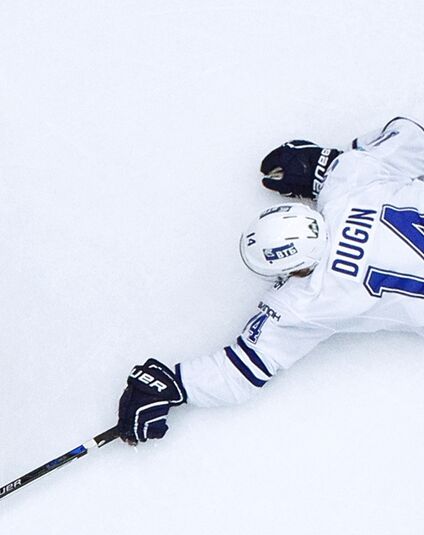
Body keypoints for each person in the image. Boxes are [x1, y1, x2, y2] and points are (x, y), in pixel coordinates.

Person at [118, 116, 424, 443]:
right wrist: (326, 164)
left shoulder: (309, 299)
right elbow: (410, 135)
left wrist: (174, 384)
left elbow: (239, 371)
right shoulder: (351, 186)